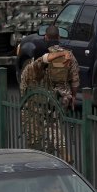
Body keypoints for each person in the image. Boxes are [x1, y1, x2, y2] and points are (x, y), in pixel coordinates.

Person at [19, 25, 79, 162]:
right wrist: (73, 96)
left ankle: (40, 157)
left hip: (36, 100)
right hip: (57, 99)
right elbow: (75, 79)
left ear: (46, 37)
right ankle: (56, 152)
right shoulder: (69, 55)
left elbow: (27, 79)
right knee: (52, 124)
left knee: (35, 133)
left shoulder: (38, 58)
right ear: (59, 37)